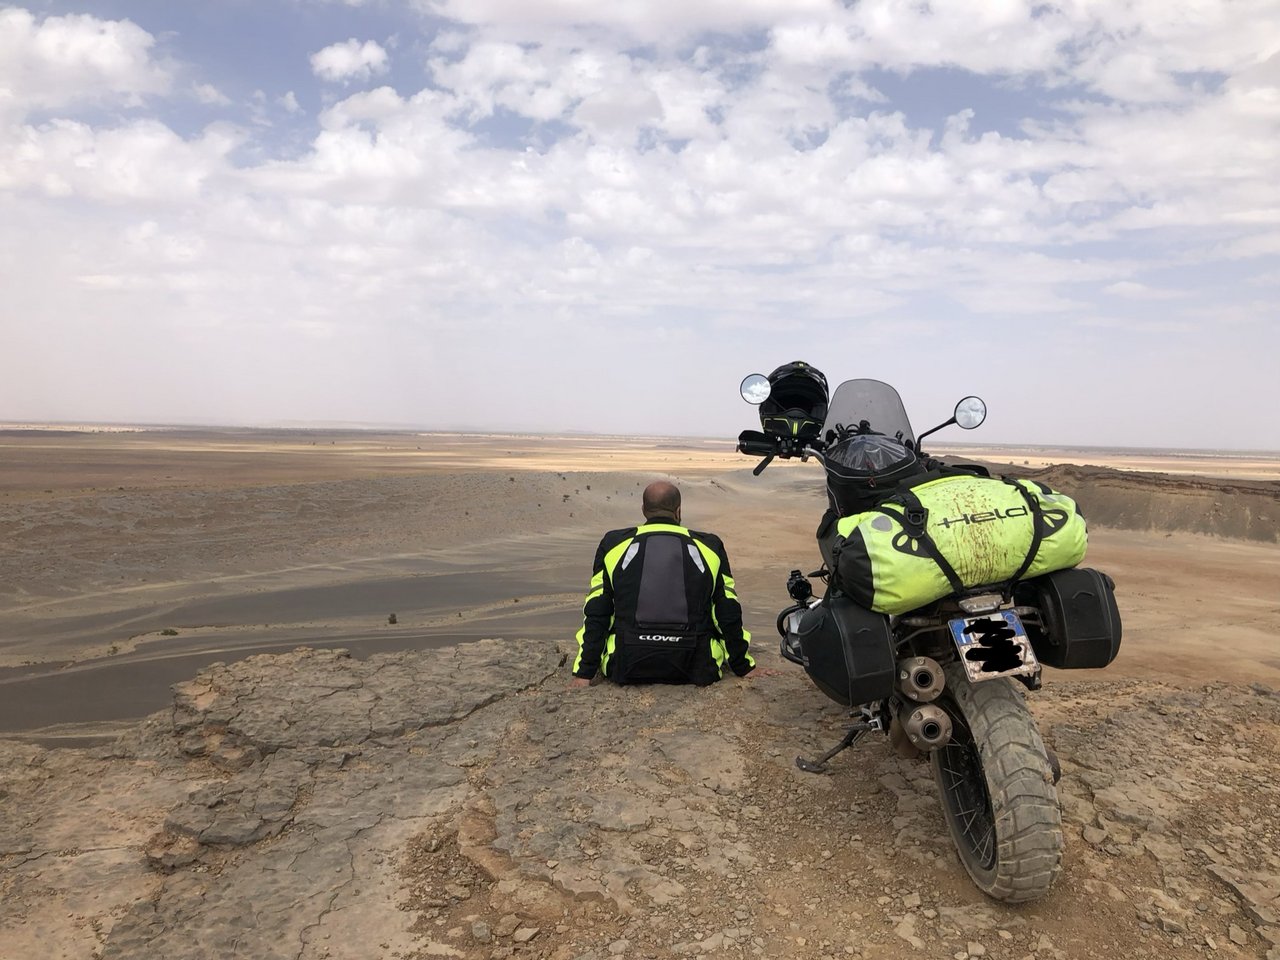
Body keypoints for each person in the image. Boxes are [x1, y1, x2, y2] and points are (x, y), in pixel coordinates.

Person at [569, 480, 758, 687]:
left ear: (644, 510)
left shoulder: (613, 543)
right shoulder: (710, 545)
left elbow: (598, 609)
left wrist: (584, 672)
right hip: (698, 666)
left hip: (624, 664)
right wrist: (744, 667)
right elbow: (727, 609)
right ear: (678, 511)